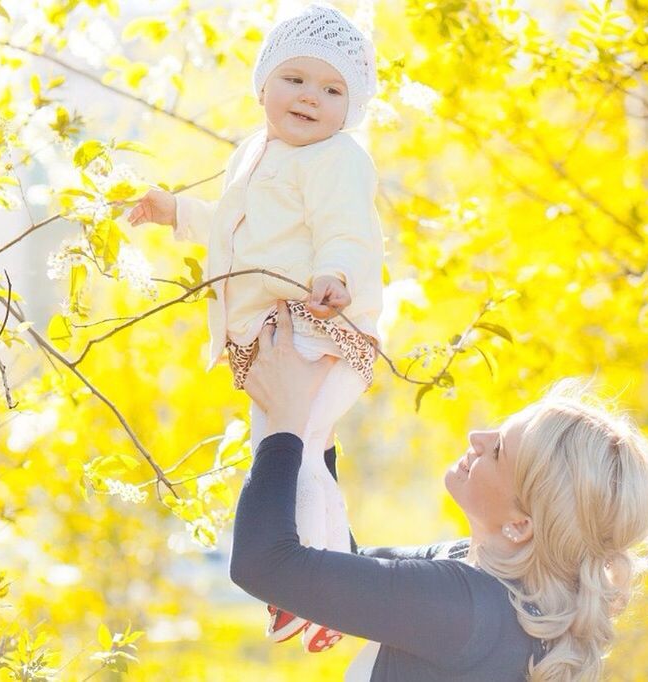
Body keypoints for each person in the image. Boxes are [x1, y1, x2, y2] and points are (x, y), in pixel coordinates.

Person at [230, 301, 648, 681]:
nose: (477, 438)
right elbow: (340, 569)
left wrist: (285, 420)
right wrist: (318, 425)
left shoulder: (467, 606)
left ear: (521, 523)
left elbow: (265, 565)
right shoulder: (496, 590)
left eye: (499, 449)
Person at [128, 4, 382, 652]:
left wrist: (336, 278)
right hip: (270, 338)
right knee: (301, 453)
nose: (309, 98)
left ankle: (321, 591)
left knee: (295, 450)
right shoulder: (253, 153)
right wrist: (176, 211)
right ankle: (332, 582)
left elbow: (347, 231)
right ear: (263, 84)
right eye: (295, 79)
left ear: (349, 110)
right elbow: (233, 227)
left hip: (316, 326)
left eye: (331, 90)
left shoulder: (337, 159)